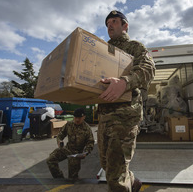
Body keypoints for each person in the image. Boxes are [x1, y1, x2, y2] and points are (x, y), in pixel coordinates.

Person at [98, 10, 156, 192]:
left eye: (114, 21)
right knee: (107, 164)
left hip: (125, 117)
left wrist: (125, 82)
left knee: (115, 178)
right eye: (108, 23)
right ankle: (134, 182)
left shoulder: (134, 47)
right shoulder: (102, 50)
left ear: (125, 26)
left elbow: (148, 69)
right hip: (104, 117)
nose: (110, 25)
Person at [46, 108, 94, 180]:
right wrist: (60, 141)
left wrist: (86, 152)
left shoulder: (86, 129)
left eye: (79, 118)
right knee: (50, 160)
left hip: (76, 154)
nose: (77, 120)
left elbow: (90, 142)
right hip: (67, 149)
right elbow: (60, 135)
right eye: (75, 117)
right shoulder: (69, 124)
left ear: (84, 117)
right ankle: (59, 178)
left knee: (72, 177)